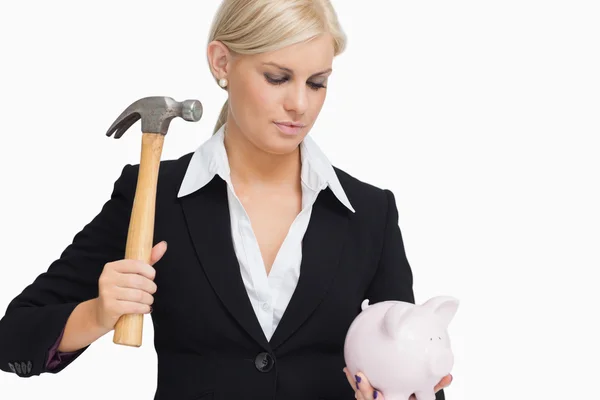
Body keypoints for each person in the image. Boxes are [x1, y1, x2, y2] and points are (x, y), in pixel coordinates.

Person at [0, 0, 453, 399]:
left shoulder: (370, 214)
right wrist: (98, 313)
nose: (300, 104)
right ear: (221, 62)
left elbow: (408, 364)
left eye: (317, 83)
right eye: (278, 78)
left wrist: (405, 392)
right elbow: (12, 339)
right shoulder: (153, 197)